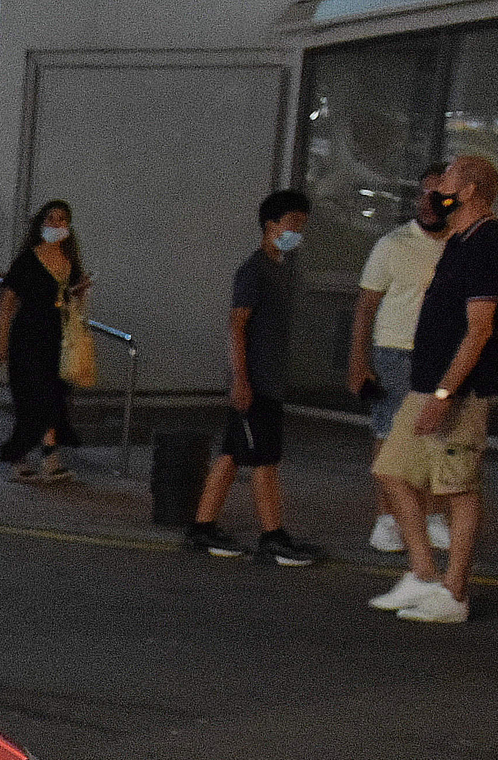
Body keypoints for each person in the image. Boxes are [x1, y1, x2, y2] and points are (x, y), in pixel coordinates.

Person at [367, 154, 498, 625]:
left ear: (470, 190)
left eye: (449, 176)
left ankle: (454, 593)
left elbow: (479, 330)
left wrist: (444, 396)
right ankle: (423, 574)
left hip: (457, 392)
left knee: (457, 487)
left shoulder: (489, 244)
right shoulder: (460, 241)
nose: (439, 185)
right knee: (393, 471)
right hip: (427, 383)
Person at [183, 190, 324, 566]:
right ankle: (273, 536)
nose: (297, 231)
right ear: (270, 225)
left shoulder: (277, 268)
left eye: (302, 225)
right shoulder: (255, 270)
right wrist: (241, 380)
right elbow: (236, 325)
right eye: (292, 223)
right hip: (257, 382)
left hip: (266, 380)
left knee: (231, 455)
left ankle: (202, 526)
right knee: (264, 459)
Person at [349, 166, 453, 556]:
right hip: (395, 352)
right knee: (388, 433)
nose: (428, 202)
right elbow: (365, 305)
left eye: (437, 194)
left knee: (438, 434)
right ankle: (387, 518)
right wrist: (358, 359)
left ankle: (433, 515)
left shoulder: (460, 244)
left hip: (443, 353)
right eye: (422, 193)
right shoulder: (393, 244)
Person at [0, 199, 87, 481]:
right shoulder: (28, 260)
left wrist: (79, 291)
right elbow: (8, 298)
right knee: (32, 396)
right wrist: (1, 340)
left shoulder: (70, 262)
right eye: (51, 219)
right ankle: (22, 455)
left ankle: (49, 455)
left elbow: (70, 300)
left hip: (57, 337)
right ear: (40, 224)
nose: (56, 224)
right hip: (28, 336)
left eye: (62, 220)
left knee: (54, 396)